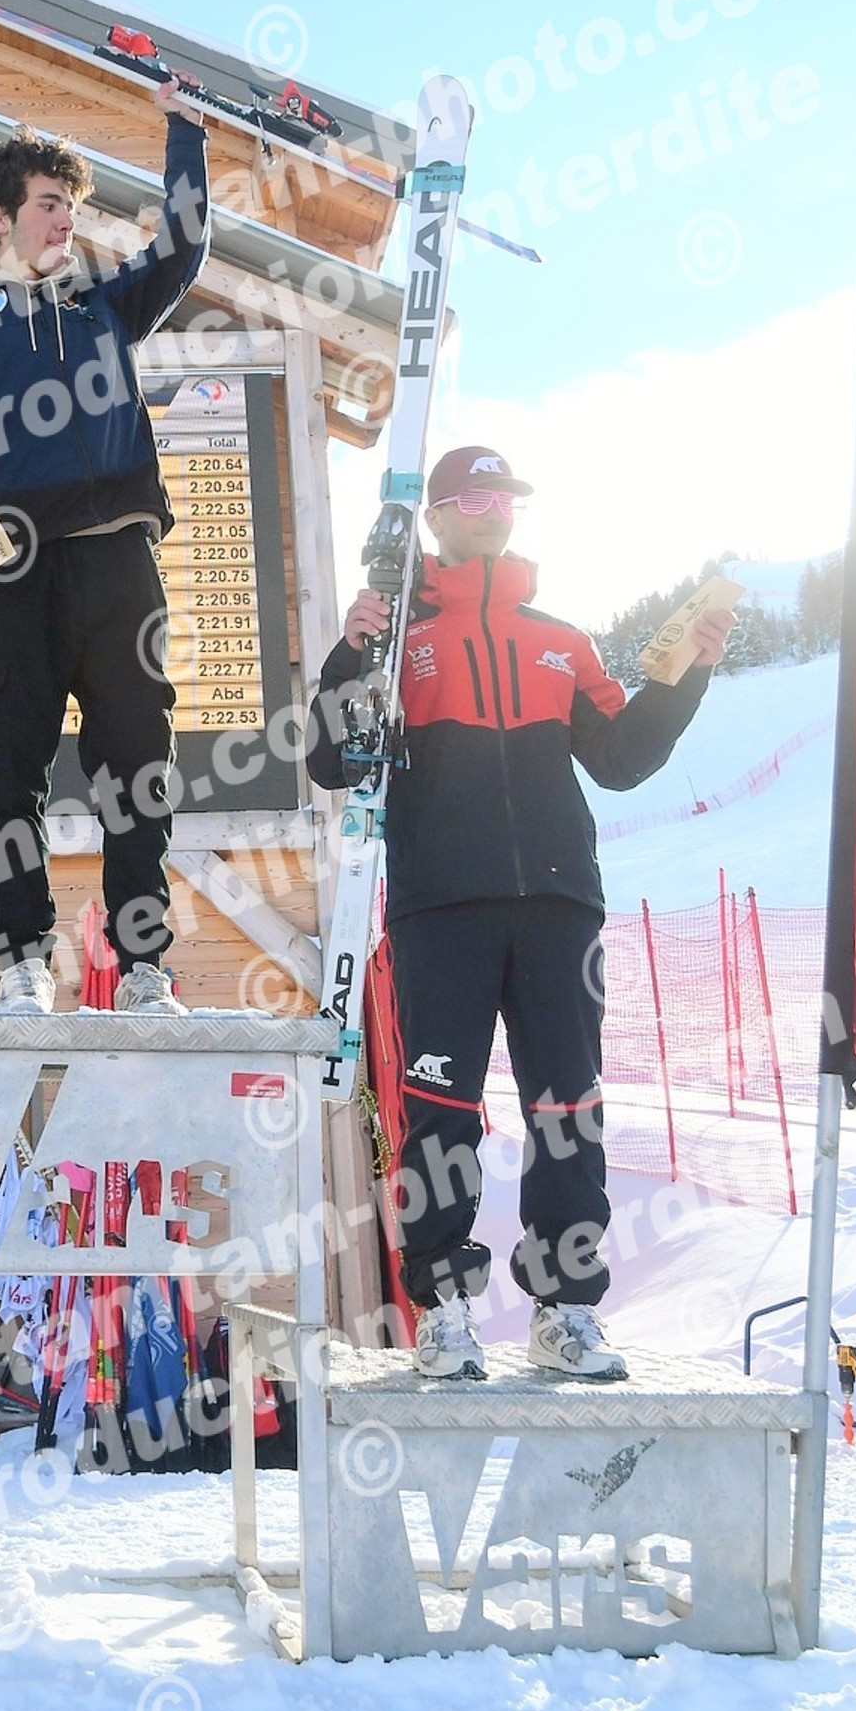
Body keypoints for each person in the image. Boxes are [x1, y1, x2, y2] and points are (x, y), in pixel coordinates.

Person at [306, 445, 736, 1381]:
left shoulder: (564, 640)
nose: (492, 510)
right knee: (440, 1113)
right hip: (440, 908)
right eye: (471, 497)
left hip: (558, 905)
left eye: (504, 497)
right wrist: (349, 654)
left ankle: (565, 1310)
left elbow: (620, 759)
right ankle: (443, 1311)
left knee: (567, 1108)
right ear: (435, 517)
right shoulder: (399, 635)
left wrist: (688, 675)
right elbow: (331, 761)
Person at [0, 81, 210, 1014]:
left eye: (73, 206)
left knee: (138, 770)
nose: (68, 220)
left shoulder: (105, 303)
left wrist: (184, 132)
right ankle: (23, 962)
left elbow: (184, 244)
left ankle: (142, 968)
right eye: (50, 203)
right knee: (11, 775)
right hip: (13, 570)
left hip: (118, 566)